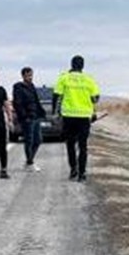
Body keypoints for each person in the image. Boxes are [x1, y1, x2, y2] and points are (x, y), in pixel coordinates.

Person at [53, 54, 101, 182]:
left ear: (71, 65)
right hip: (84, 117)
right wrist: (92, 110)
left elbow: (56, 95)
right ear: (82, 66)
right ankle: (82, 174)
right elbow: (95, 98)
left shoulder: (64, 77)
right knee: (83, 145)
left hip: (68, 116)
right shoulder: (89, 79)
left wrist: (55, 113)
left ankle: (73, 169)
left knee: (70, 144)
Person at [12, 66, 46, 171]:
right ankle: (30, 163)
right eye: (28, 75)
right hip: (27, 118)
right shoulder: (18, 87)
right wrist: (24, 116)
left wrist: (42, 112)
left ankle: (29, 161)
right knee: (29, 140)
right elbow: (17, 103)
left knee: (38, 140)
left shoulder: (32, 86)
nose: (30, 77)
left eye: (31, 75)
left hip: (35, 116)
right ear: (23, 76)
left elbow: (36, 100)